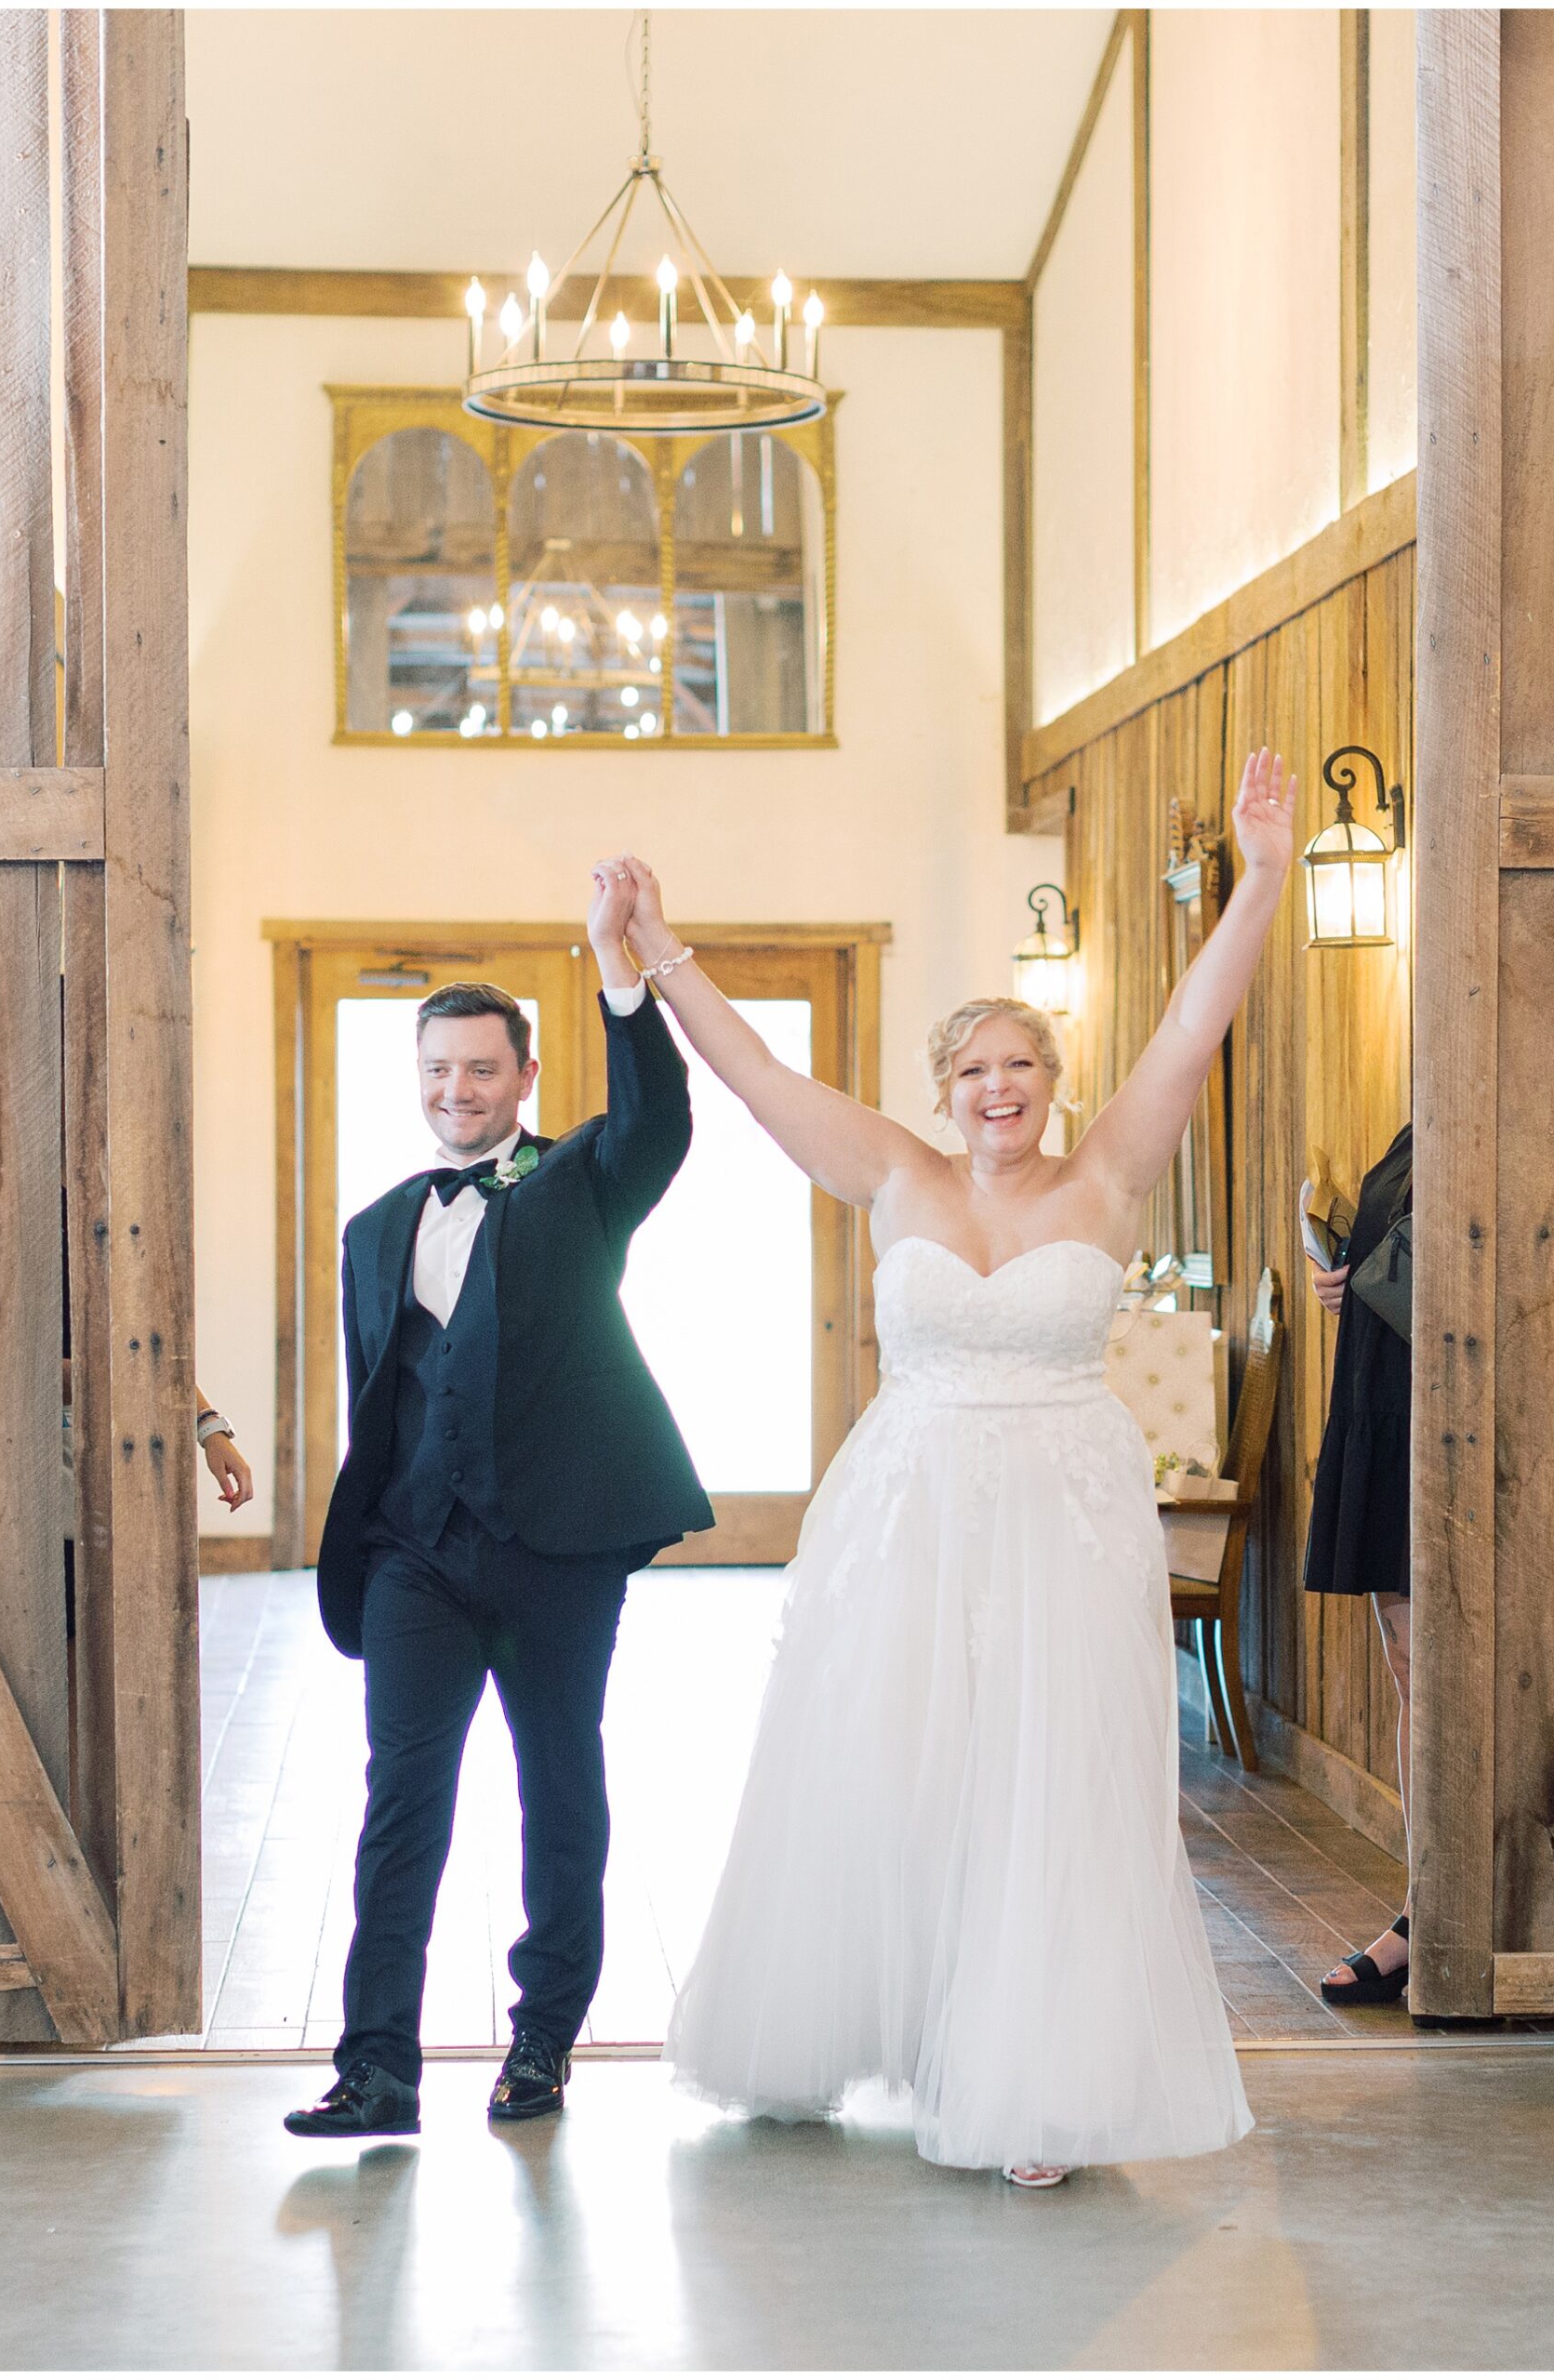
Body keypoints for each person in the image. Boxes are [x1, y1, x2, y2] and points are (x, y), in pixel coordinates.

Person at [622, 746, 1295, 2187]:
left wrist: (1266, 874)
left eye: (1025, 1066)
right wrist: (659, 949)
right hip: (910, 1509)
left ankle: (1033, 2081)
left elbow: (1196, 1018)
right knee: (900, 1765)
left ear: (1057, 1084)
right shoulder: (890, 1172)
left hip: (1065, 1516)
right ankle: (896, 2025)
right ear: (943, 1089)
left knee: (1048, 1781)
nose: (1002, 1089)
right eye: (977, 1069)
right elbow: (752, 1077)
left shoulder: (1107, 1175)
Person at [285, 868, 713, 2141]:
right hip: (413, 1553)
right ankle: (376, 2072)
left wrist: (620, 972)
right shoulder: (375, 1228)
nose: (457, 1092)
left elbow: (663, 1121)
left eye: (481, 1070)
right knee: (399, 1803)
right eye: (437, 1073)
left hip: (555, 1558)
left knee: (556, 1788)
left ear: (523, 1077)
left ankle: (541, 2045)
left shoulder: (582, 1183)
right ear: (416, 1080)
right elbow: (394, 1396)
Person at [1303, 1121, 1414, 2004]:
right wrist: (1351, 1277)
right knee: (1415, 1673)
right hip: (1384, 1405)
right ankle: (1434, 1908)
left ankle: (1458, 1914)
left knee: (1455, 1682)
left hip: (1459, 1418)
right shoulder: (1419, 1125)